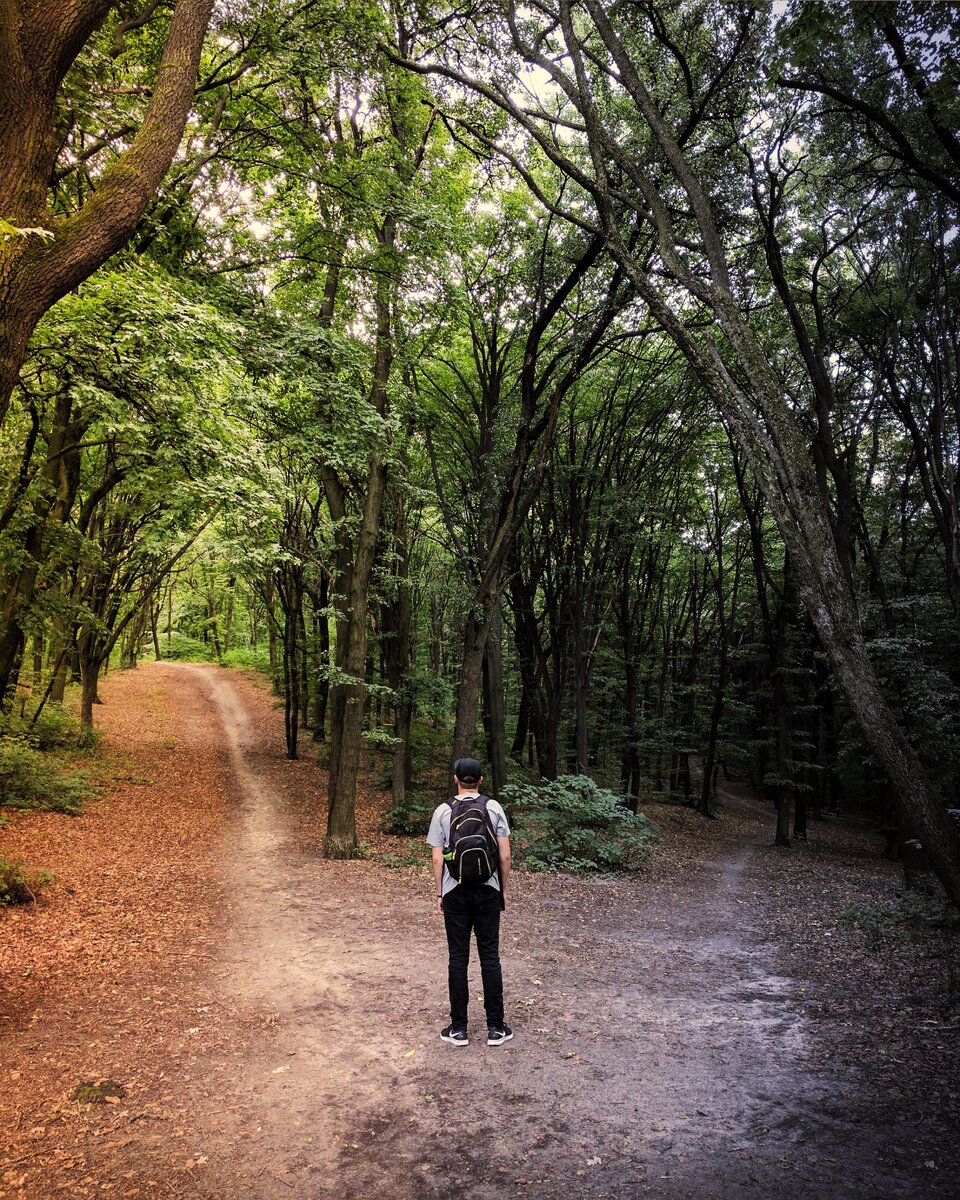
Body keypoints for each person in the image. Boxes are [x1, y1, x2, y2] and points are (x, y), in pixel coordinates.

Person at [426, 756, 513, 1047]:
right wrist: (503, 890)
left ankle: (459, 1029)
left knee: (457, 958)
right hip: (489, 889)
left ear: (455, 779)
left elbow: (438, 857)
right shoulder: (493, 807)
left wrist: (440, 892)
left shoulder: (442, 811)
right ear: (481, 779)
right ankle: (496, 1028)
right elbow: (505, 855)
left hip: (455, 891)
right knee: (490, 956)